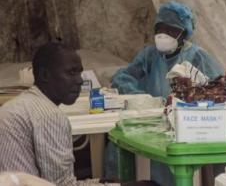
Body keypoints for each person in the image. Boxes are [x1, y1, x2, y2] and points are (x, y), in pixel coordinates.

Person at [0, 42, 154, 186]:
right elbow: (61, 184)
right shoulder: (48, 115)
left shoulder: (21, 104)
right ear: (45, 75)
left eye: (80, 73)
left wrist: (101, 182)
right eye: (71, 73)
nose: (80, 81)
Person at [108, 0, 224, 186]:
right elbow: (122, 77)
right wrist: (141, 97)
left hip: (188, 125)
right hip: (155, 120)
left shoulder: (197, 56)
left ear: (183, 34)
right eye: (159, 29)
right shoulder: (150, 55)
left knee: (174, 160)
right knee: (117, 144)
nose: (163, 35)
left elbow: (219, 90)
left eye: (170, 31)